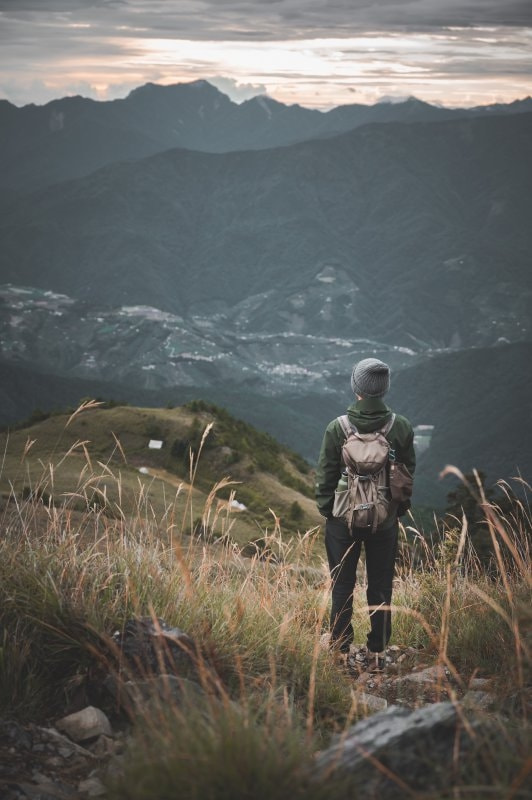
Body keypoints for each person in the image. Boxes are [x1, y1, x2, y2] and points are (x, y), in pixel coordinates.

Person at [315, 358, 415, 671]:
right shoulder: (399, 427)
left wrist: (328, 511)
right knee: (380, 585)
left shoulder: (338, 427)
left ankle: (341, 649)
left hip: (342, 520)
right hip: (384, 519)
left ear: (356, 387)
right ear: (384, 389)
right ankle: (377, 652)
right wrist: (397, 510)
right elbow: (406, 473)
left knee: (342, 585)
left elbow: (326, 476)